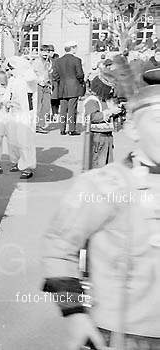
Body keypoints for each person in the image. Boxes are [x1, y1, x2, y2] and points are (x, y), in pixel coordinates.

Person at [42, 71, 160, 350]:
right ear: (132, 129)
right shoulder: (102, 185)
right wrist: (74, 315)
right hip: (122, 335)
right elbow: (59, 249)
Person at [82, 59, 124, 169]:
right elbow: (92, 116)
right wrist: (109, 112)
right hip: (97, 137)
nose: (111, 92)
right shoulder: (92, 100)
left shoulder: (105, 100)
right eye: (109, 89)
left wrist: (117, 112)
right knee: (97, 165)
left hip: (107, 136)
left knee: (107, 165)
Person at [5, 56, 37, 179]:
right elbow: (8, 94)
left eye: (12, 68)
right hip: (13, 112)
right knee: (12, 139)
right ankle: (16, 161)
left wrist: (25, 66)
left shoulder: (28, 79)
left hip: (25, 114)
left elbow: (32, 77)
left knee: (25, 140)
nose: (10, 71)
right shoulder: (13, 80)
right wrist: (6, 102)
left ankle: (27, 167)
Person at [52, 41, 86, 135]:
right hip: (74, 86)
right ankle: (71, 129)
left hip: (62, 87)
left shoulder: (58, 61)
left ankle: (62, 129)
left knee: (63, 109)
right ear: (73, 48)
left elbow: (55, 75)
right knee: (72, 109)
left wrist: (61, 81)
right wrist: (80, 81)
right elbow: (80, 74)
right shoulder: (77, 60)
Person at [33, 45, 54, 133]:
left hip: (47, 85)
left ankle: (41, 124)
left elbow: (49, 73)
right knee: (38, 105)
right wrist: (39, 80)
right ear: (40, 52)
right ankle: (36, 125)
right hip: (39, 85)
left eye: (48, 52)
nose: (46, 54)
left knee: (46, 106)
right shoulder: (37, 62)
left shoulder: (49, 62)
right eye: (44, 52)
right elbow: (33, 73)